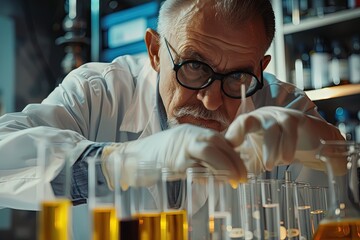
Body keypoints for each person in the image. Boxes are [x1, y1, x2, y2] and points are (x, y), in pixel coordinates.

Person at [0, 0, 343, 232]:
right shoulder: (99, 92)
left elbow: (340, 216)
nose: (210, 100)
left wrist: (334, 160)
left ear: (261, 66)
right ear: (154, 52)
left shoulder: (285, 109)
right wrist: (117, 162)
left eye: (238, 76)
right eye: (194, 66)